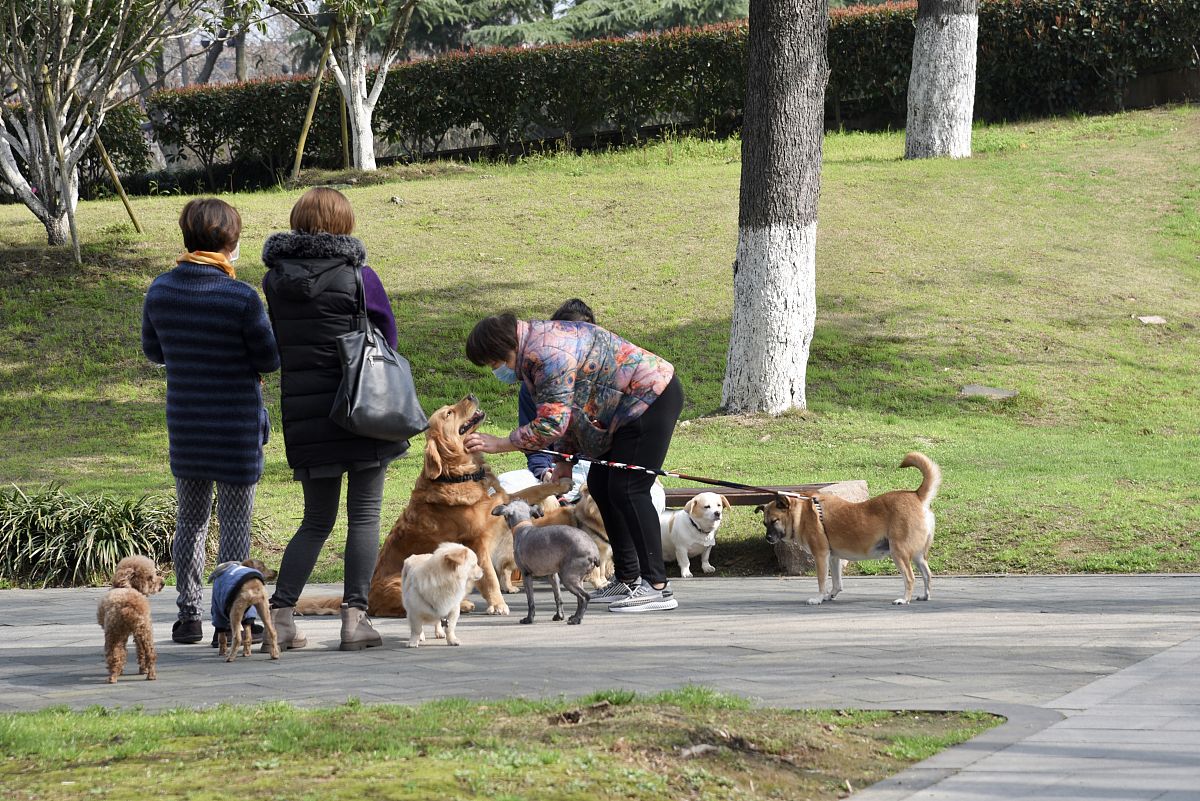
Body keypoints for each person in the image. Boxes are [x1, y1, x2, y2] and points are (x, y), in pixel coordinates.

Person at [261, 187, 408, 651]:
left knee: (315, 520)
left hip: (306, 414)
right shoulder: (360, 276)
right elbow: (387, 336)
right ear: (343, 224)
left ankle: (280, 618)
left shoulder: (274, 281)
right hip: (361, 406)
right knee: (363, 516)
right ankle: (354, 622)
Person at [464, 313, 684, 613]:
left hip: (650, 397)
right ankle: (628, 577)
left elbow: (552, 423)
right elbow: (574, 410)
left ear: (504, 347)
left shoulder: (546, 354)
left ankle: (657, 586)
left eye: (494, 362)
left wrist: (502, 443)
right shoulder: (535, 351)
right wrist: (565, 460)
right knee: (600, 485)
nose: (496, 370)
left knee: (628, 489)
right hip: (620, 409)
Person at [141, 197, 280, 645]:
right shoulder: (241, 296)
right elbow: (269, 359)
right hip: (235, 424)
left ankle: (188, 617)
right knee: (236, 524)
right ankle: (228, 621)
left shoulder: (160, 290)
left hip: (187, 422)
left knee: (191, 521)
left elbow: (154, 351)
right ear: (230, 241)